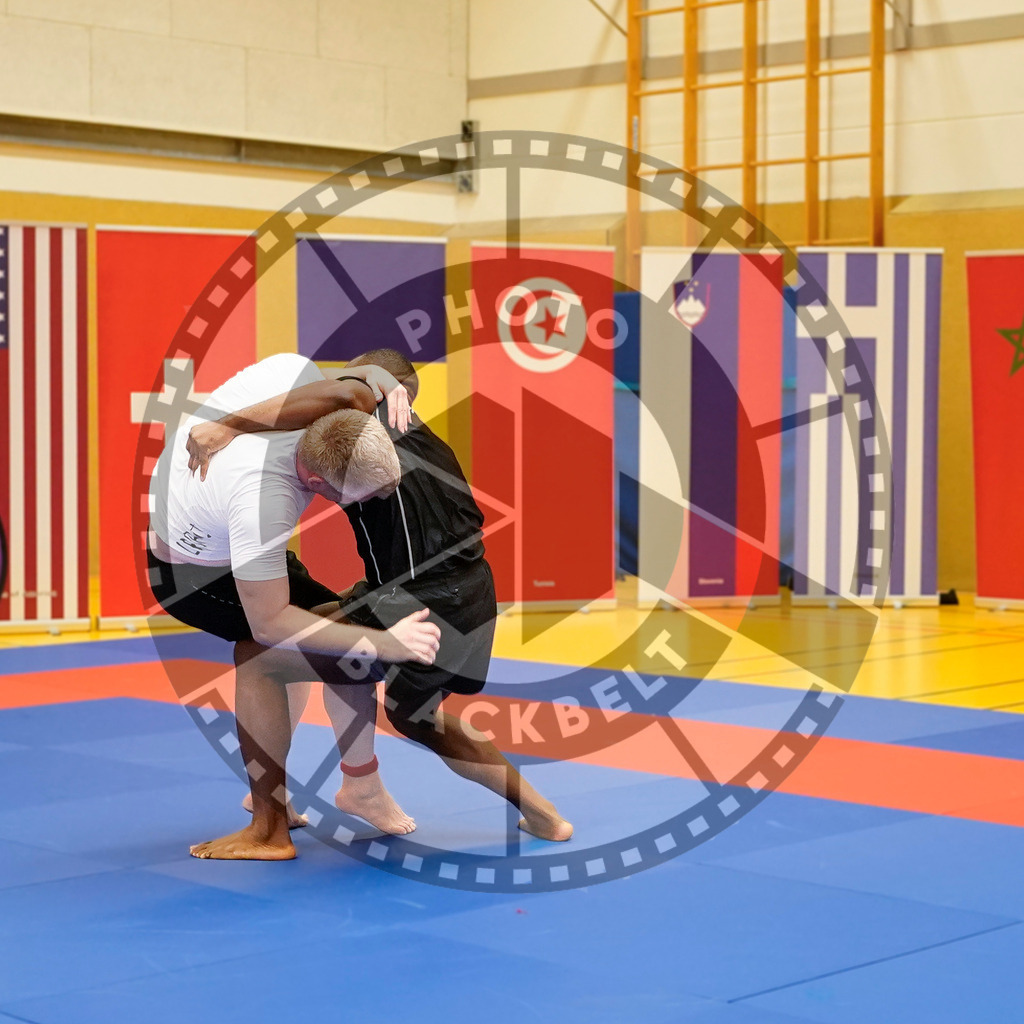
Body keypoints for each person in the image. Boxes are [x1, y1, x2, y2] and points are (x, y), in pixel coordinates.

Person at [187, 348, 573, 842]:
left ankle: (273, 804)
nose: (328, 389)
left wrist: (226, 426)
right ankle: (542, 814)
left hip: (419, 602)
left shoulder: (356, 434)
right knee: (413, 713)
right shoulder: (424, 436)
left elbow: (334, 395)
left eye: (350, 379)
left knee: (261, 653)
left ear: (376, 390)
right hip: (470, 589)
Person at [148, 352, 441, 861]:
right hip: (190, 575)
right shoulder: (267, 495)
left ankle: (354, 786)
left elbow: (349, 390)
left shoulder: (301, 378)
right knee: (272, 652)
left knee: (331, 629)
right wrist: (387, 643)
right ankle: (268, 825)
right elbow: (269, 622)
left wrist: (375, 381)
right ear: (319, 486)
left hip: (216, 518)